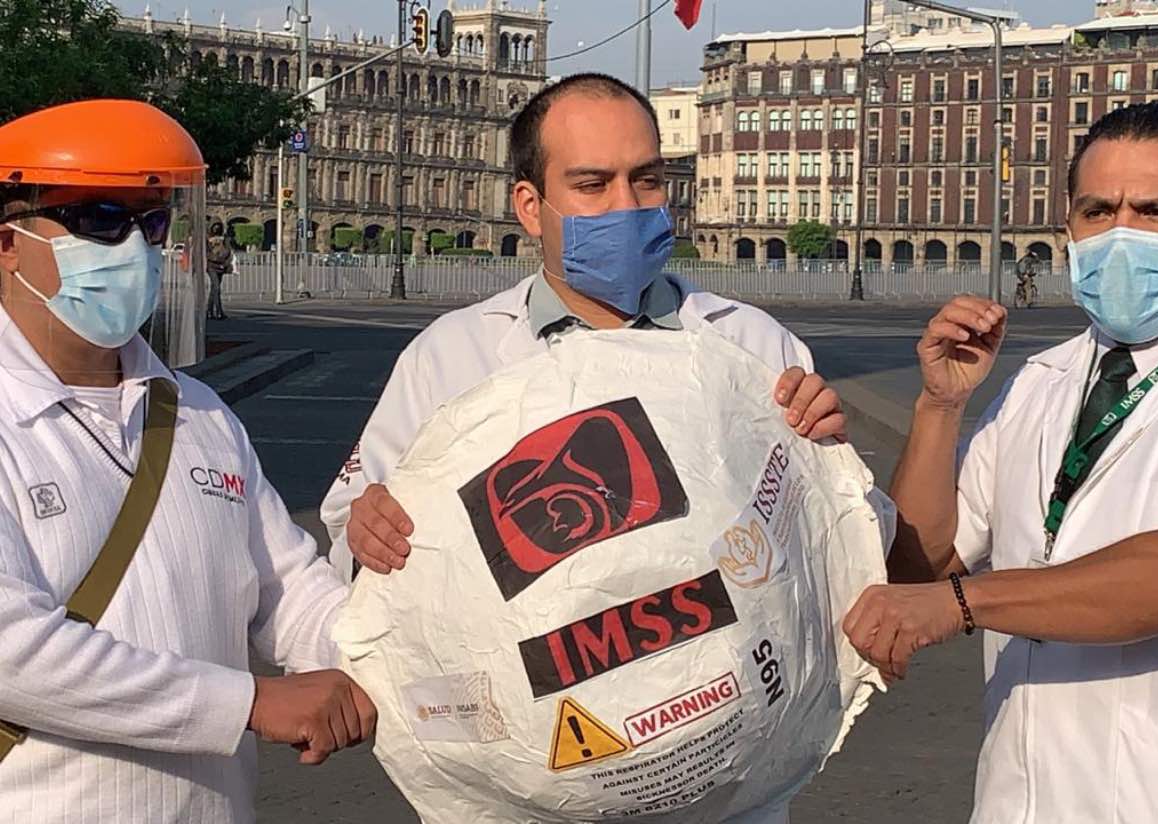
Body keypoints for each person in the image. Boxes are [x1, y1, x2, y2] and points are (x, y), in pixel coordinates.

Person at [320, 73, 860, 824]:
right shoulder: (451, 359)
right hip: (532, 792)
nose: (627, 207)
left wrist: (827, 461)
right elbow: (352, 522)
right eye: (591, 184)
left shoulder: (750, 346)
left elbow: (852, 556)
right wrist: (364, 525)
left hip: (728, 792)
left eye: (646, 180)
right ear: (530, 207)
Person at [0, 100, 375, 822]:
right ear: (9, 240)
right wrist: (251, 701)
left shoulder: (196, 412)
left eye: (152, 223)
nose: (133, 250)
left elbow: (288, 586)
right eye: (101, 220)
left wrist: (385, 662)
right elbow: (14, 653)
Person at [843, 102, 1158, 822]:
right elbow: (922, 566)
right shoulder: (1041, 381)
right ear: (1068, 228)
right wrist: (940, 408)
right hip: (1018, 800)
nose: (1122, 233)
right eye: (1099, 210)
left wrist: (970, 603)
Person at [206, 221, 232, 320]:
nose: (216, 229)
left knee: (214, 289)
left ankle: (209, 311)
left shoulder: (224, 238)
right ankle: (219, 311)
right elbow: (206, 251)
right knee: (216, 287)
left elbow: (228, 250)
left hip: (221, 265)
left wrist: (223, 259)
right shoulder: (207, 238)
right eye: (214, 226)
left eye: (218, 227)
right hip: (211, 265)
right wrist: (214, 258)